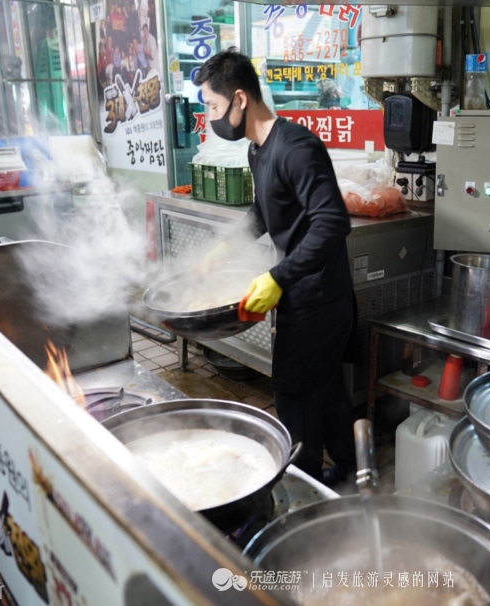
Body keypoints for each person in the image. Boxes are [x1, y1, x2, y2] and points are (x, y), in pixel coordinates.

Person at [194, 48, 357, 486]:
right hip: (303, 291)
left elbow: (332, 222)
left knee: (293, 398)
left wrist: (276, 276)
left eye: (212, 106)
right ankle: (349, 473)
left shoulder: (297, 147)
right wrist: (224, 250)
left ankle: (305, 495)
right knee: (323, 391)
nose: (209, 116)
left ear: (240, 99)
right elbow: (264, 212)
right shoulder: (257, 150)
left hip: (320, 298)